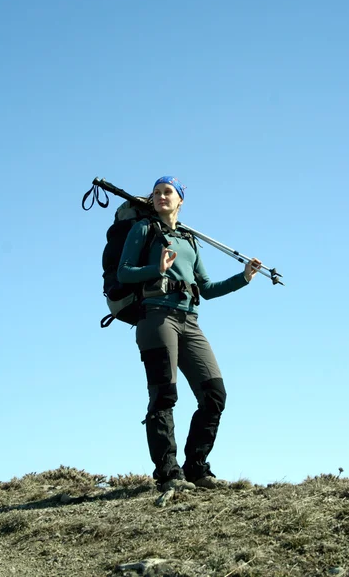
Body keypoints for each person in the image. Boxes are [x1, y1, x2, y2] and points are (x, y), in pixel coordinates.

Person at [117, 176, 261, 492]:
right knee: (164, 395)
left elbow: (207, 289)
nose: (160, 196)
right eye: (156, 193)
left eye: (167, 192)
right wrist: (158, 268)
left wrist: (244, 277)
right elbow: (124, 272)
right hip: (156, 318)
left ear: (180, 199)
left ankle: (196, 468)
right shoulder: (144, 230)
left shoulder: (189, 241)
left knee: (214, 395)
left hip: (190, 322)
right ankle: (168, 474)